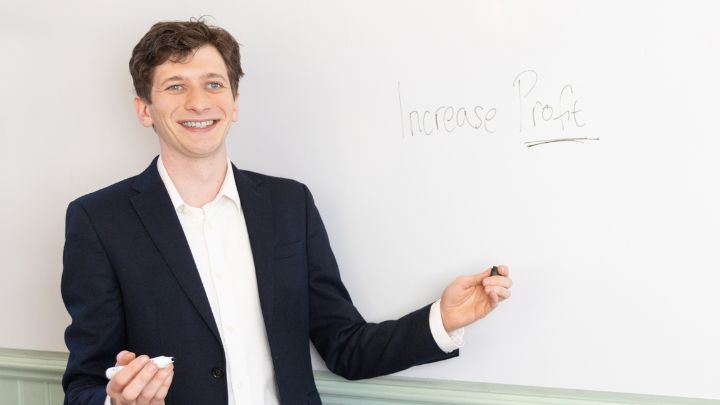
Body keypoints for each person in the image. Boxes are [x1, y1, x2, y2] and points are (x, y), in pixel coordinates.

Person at [61, 19, 513, 405]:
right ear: (145, 109)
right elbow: (84, 381)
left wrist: (444, 319)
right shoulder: (99, 221)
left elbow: (344, 347)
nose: (198, 103)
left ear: (234, 103)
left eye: (213, 84)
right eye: (175, 87)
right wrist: (114, 398)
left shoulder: (288, 205)